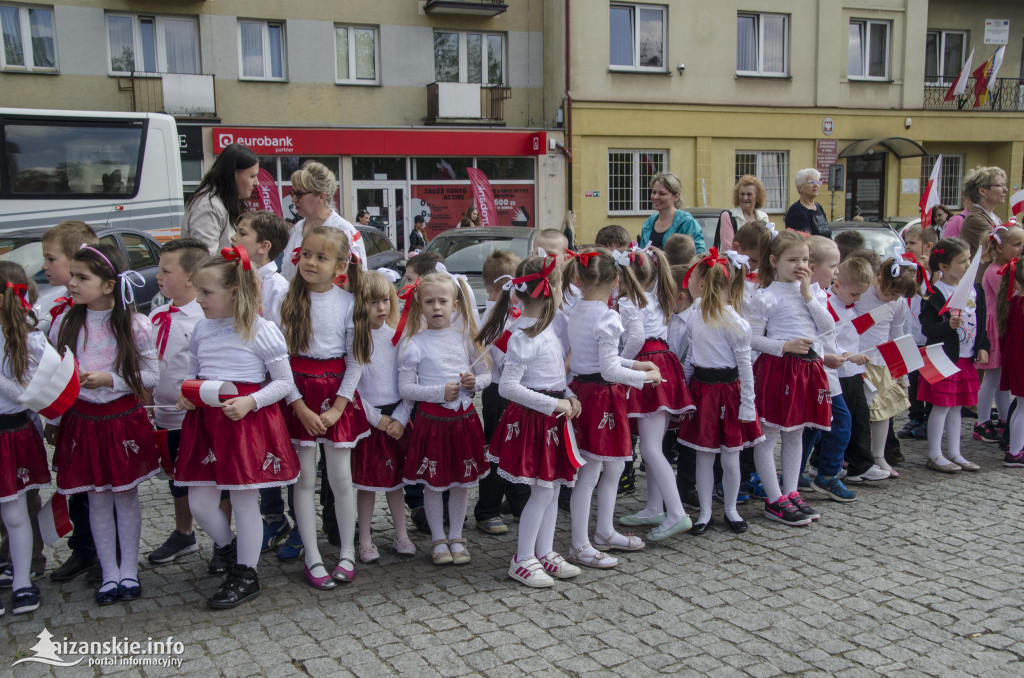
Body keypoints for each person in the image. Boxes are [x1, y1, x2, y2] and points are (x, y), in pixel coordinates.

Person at [174, 247, 299, 609]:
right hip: (207, 421)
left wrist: (250, 401)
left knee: (245, 502)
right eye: (197, 291)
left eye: (206, 293)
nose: (198, 299)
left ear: (233, 292)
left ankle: (246, 573)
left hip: (244, 422)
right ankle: (228, 549)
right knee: (199, 501)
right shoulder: (201, 329)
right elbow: (195, 373)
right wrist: (188, 394)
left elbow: (284, 383)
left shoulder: (261, 330)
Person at [49, 244, 159, 606]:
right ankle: (108, 572)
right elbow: (53, 371)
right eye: (73, 276)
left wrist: (110, 379)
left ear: (109, 285)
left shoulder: (134, 324)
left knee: (125, 496)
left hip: (120, 421)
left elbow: (151, 374)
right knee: (96, 497)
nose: (72, 283)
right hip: (84, 422)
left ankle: (129, 569)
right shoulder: (65, 323)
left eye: (83, 278)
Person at [479, 256, 583, 587]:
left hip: (552, 418)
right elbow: (508, 387)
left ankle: (545, 550)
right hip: (535, 420)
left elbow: (554, 376)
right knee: (542, 492)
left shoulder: (549, 329)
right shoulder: (523, 337)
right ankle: (523, 557)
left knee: (551, 490)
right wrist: (555, 402)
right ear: (548, 290)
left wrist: (569, 395)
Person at [280, 227, 369, 588]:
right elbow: (278, 358)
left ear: (340, 265)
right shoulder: (286, 300)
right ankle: (313, 556)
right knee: (303, 480)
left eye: (321, 257)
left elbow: (356, 360)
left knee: (341, 479)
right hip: (296, 393)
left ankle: (347, 551)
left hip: (336, 395)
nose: (311, 262)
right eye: (307, 255)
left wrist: (337, 408)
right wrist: (298, 406)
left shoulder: (348, 303)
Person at [561, 249, 659, 568]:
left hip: (590, 391)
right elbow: (608, 370)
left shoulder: (578, 309)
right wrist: (645, 378)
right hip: (600, 395)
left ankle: (604, 530)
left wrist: (636, 363)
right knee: (590, 473)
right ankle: (579, 543)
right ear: (617, 279)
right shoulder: (607, 316)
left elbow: (602, 360)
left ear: (578, 279)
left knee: (615, 465)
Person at [397, 271, 489, 566]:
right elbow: (406, 389)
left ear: (455, 306)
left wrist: (476, 383)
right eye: (429, 301)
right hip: (432, 423)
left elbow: (489, 375)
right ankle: (438, 537)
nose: (436, 307)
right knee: (433, 483)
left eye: (442, 301)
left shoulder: (466, 339)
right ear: (419, 306)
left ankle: (458, 535)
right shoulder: (414, 343)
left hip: (464, 421)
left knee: (461, 483)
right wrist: (439, 392)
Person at [28, 221, 99, 586]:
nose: (45, 267)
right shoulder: (52, 306)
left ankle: (103, 552)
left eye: (51, 259)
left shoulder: (101, 308)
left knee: (98, 484)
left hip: (96, 409)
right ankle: (83, 548)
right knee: (72, 479)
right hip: (68, 411)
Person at [748, 231, 833, 526]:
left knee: (795, 432)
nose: (801, 265)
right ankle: (774, 498)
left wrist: (809, 295)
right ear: (774, 261)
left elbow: (828, 326)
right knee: (769, 435)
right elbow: (752, 340)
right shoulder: (765, 296)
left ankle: (791, 491)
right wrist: (784, 346)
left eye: (806, 259)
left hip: (807, 369)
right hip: (778, 368)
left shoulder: (814, 291)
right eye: (793, 259)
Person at [677, 250, 763, 535]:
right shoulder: (695, 315)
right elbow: (692, 356)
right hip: (702, 391)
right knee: (704, 455)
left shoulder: (735, 322)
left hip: (728, 392)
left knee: (729, 455)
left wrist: (747, 404)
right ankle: (704, 513)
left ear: (701, 284)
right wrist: (685, 386)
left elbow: (745, 366)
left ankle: (730, 509)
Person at [616, 245, 694, 541]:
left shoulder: (629, 302)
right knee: (654, 446)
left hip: (646, 366)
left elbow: (635, 337)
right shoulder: (658, 296)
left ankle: (675, 512)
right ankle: (654, 507)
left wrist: (622, 364)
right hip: (664, 362)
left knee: (649, 448)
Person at [145, 239, 213, 569]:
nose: (158, 276)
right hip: (164, 415)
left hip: (196, 416)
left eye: (165, 270)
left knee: (212, 478)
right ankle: (183, 532)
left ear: (190, 277)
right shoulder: (157, 315)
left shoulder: (204, 319)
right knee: (177, 478)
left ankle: (223, 541)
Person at [351, 271, 416, 561]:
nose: (381, 308)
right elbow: (352, 391)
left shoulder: (398, 339)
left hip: (397, 420)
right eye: (372, 302)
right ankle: (365, 539)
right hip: (368, 422)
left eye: (385, 301)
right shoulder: (355, 341)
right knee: (366, 485)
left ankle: (401, 534)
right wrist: (376, 419)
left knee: (396, 483)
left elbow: (408, 385)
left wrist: (400, 417)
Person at [0, 263, 52, 615]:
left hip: (11, 432)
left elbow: (29, 394)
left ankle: (22, 582)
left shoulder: (32, 338)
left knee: (16, 515)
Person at [919, 239, 987, 473]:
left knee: (957, 406)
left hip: (966, 357)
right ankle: (935, 454)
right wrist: (948, 325)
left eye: (969, 259)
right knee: (941, 406)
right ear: (944, 266)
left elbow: (982, 321)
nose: (968, 264)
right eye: (962, 261)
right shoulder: (934, 293)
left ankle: (955, 452)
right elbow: (927, 328)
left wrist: (982, 346)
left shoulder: (975, 289)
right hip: (942, 358)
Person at [473, 250, 527, 536]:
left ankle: (518, 503)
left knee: (517, 447)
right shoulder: (493, 319)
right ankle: (486, 510)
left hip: (515, 390)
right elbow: (498, 357)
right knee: (496, 451)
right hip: (498, 391)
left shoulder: (512, 314)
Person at [802, 237, 857, 503]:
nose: (837, 272)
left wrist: (839, 354)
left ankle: (797, 472)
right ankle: (827, 476)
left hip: (826, 372)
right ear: (812, 267)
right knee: (841, 423)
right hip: (818, 374)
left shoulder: (821, 293)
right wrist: (827, 359)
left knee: (812, 427)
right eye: (833, 266)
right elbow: (806, 339)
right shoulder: (806, 297)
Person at [853, 255, 918, 479]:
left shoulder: (897, 303)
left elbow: (895, 334)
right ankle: (852, 456)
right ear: (879, 279)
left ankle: (879, 455)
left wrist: (900, 370)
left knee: (883, 414)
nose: (893, 298)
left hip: (881, 364)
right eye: (891, 293)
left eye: (898, 296)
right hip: (859, 361)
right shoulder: (862, 295)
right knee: (860, 414)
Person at [974, 225, 1023, 442]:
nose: (1021, 249)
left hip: (1001, 326)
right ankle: (982, 421)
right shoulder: (997, 272)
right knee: (992, 377)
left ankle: (1004, 418)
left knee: (1001, 377)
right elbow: (1009, 297)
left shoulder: (1007, 268)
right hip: (993, 328)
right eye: (1017, 244)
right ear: (1000, 247)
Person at [281, 161, 366, 280]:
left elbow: (358, 280)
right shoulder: (297, 228)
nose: (293, 199)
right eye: (292, 193)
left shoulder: (345, 231)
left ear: (321, 197)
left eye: (299, 194)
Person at [181, 143, 259, 254]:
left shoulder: (221, 202)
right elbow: (204, 261)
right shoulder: (209, 207)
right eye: (252, 176)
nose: (257, 183)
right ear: (234, 174)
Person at [996, 256, 1024, 466]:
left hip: (1016, 360)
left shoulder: (1014, 300)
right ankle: (1015, 452)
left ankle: (1014, 446)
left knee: (1021, 407)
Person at [637, 172, 705, 252]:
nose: (655, 197)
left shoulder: (687, 223)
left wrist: (663, 256)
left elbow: (698, 256)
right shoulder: (648, 223)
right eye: (654, 192)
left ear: (676, 196)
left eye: (662, 194)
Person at [960, 166, 1009, 258]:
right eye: (1000, 185)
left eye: (1004, 185)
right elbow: (1003, 247)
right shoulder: (975, 219)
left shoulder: (992, 217)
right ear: (982, 191)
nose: (1005, 189)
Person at [718, 175, 770, 249]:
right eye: (742, 194)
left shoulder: (764, 217)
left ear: (757, 197)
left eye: (749, 194)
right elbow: (728, 248)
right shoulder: (728, 216)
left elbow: (767, 244)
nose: (745, 198)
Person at [784, 169, 832, 237]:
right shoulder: (796, 210)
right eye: (811, 182)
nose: (816, 185)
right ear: (800, 188)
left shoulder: (818, 207)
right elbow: (803, 239)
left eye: (818, 182)